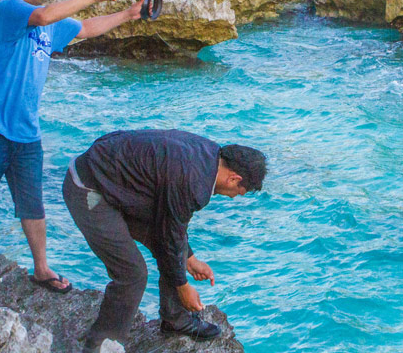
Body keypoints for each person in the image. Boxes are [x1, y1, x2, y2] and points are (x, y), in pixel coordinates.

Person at [0, 0, 151, 295]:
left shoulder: (49, 24)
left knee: (32, 203)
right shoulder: (8, 9)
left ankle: (41, 268)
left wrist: (128, 14)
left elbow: (86, 28)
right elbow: (45, 14)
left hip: (26, 131)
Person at [63, 129, 266, 350]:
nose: (234, 196)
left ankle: (175, 320)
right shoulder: (193, 182)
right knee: (133, 274)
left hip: (118, 183)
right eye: (239, 192)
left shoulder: (209, 154)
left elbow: (172, 227)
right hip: (88, 186)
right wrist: (182, 286)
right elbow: (170, 232)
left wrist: (189, 257)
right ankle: (100, 346)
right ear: (234, 178)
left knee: (175, 247)